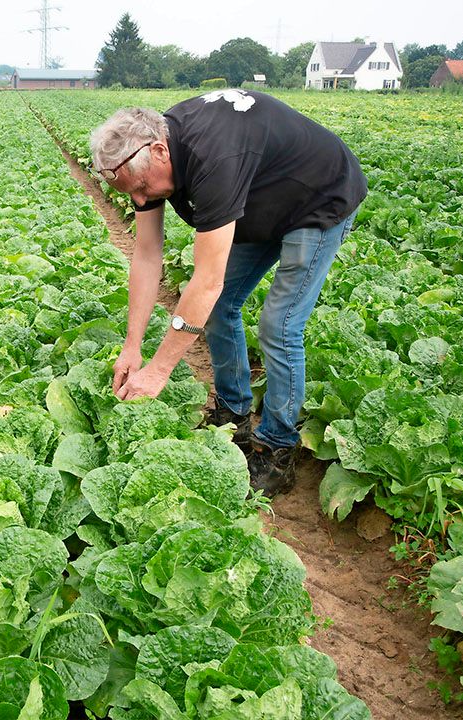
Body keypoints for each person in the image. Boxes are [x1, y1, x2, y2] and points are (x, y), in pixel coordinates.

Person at [90, 89, 366, 496]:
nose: (139, 200)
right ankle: (233, 412)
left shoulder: (213, 160)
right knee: (217, 309)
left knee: (279, 324)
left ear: (161, 152)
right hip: (260, 202)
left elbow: (207, 281)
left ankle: (277, 447)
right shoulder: (145, 164)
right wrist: (132, 348)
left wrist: (159, 370)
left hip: (317, 198)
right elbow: (147, 255)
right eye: (129, 193)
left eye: (142, 189)